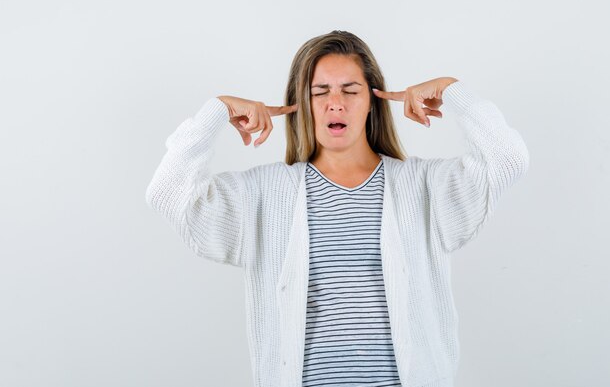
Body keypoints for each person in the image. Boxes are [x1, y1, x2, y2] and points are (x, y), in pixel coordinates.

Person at [145, 30, 530, 387]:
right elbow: (167, 192)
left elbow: (507, 159)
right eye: (320, 92)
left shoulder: (422, 187)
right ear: (302, 104)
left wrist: (451, 91)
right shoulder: (264, 194)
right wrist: (218, 110)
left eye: (350, 90)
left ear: (372, 102)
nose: (335, 104)